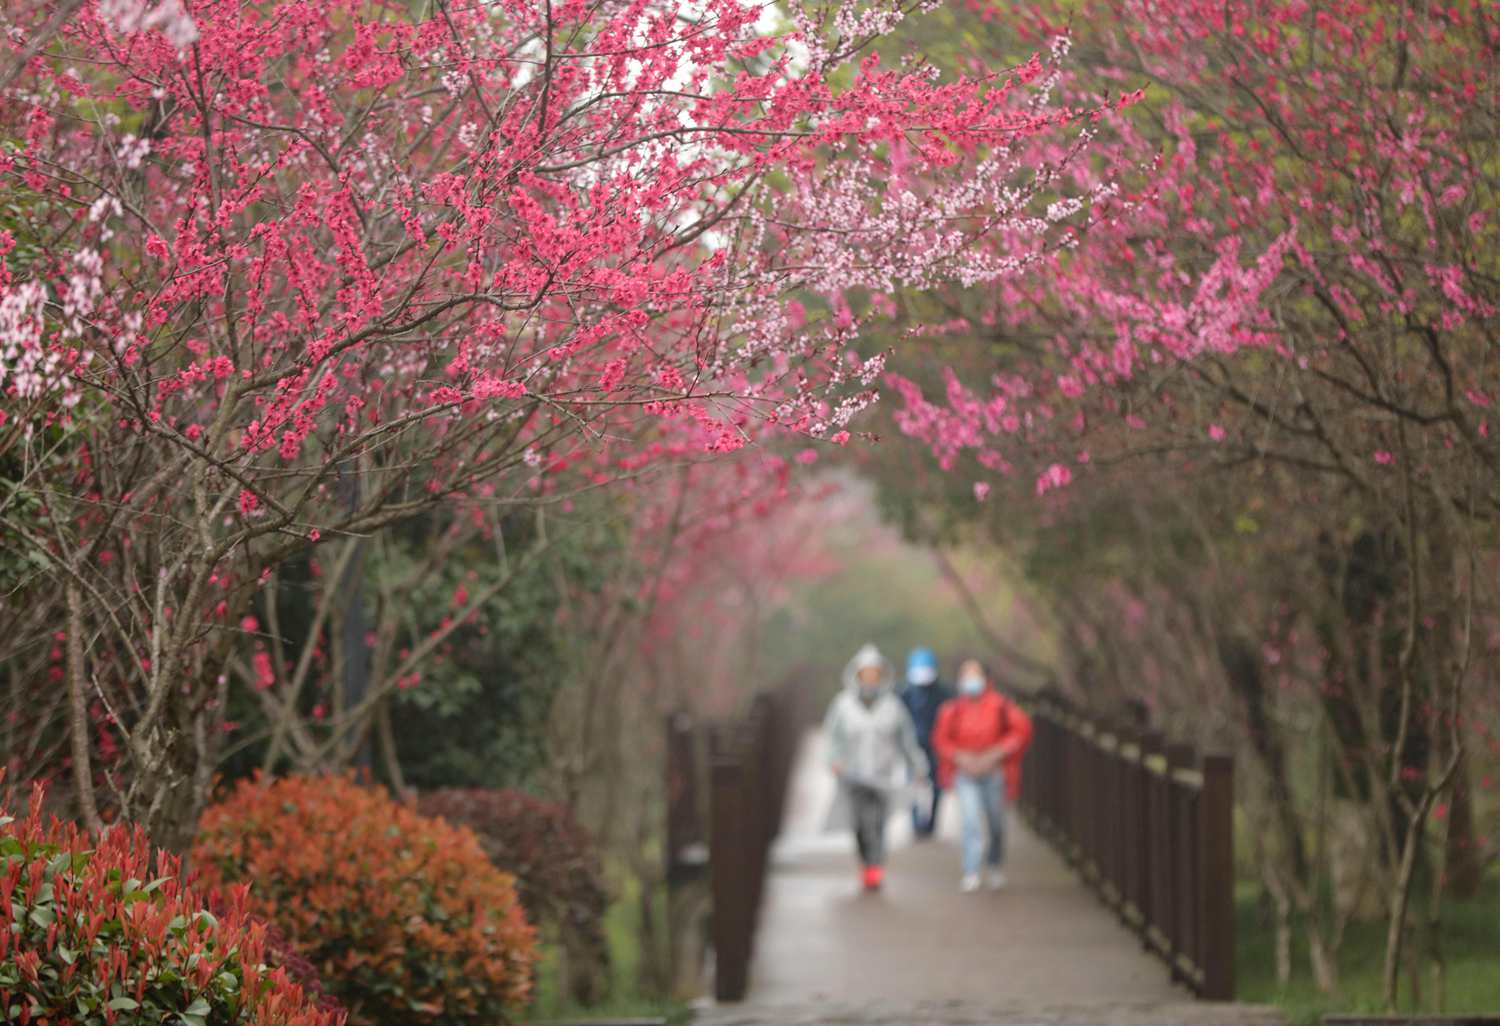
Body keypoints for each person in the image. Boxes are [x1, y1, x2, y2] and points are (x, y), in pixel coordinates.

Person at [823, 643, 929, 892]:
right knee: (860, 823)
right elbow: (832, 738)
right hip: (853, 776)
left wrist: (918, 766)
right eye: (865, 673)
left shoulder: (893, 706)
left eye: (875, 674)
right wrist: (834, 761)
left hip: (883, 776)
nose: (870, 679)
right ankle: (865, 860)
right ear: (857, 675)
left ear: (882, 676)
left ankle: (875, 866)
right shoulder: (843, 706)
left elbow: (906, 740)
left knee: (878, 823)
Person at [932, 659, 1033, 892]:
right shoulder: (952, 710)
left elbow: (1021, 731)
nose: (970, 680)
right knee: (970, 822)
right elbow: (941, 740)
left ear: (986, 679)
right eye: (965, 675)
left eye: (974, 675)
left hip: (994, 773)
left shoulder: (1001, 706)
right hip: (965, 774)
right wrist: (960, 757)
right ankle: (972, 870)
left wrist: (997, 753)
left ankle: (995, 865)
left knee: (996, 824)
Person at [899, 646, 953, 839]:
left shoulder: (944, 693)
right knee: (913, 784)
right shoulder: (904, 692)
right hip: (913, 746)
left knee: (937, 785)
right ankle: (915, 823)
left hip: (936, 746)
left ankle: (931, 824)